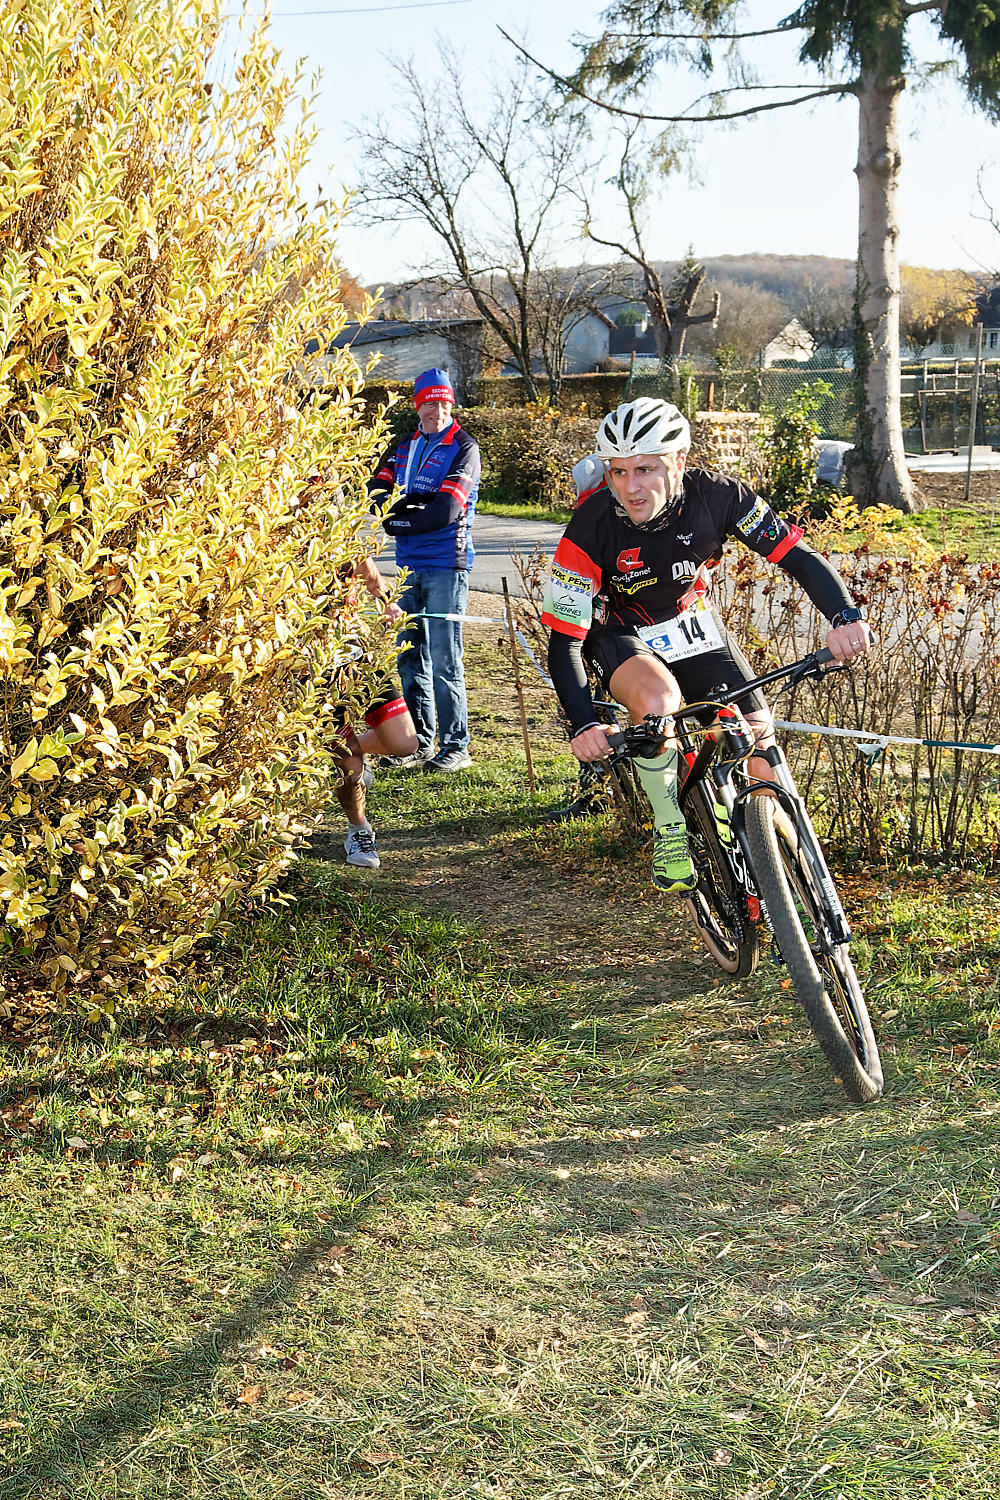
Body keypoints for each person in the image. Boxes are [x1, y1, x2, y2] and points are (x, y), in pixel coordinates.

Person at [541, 397, 872, 893]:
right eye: (618, 471)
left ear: (678, 461)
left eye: (645, 469)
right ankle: (670, 825)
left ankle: (796, 878)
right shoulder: (590, 526)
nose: (630, 487)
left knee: (760, 741)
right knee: (659, 703)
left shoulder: (719, 495)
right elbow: (565, 641)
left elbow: (797, 556)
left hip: (689, 624)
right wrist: (585, 722)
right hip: (619, 631)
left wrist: (845, 617)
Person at [367, 368, 481, 773]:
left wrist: (401, 514)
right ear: (418, 406)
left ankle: (456, 746)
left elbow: (445, 511)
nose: (437, 411)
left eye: (444, 403)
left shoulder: (464, 447)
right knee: (409, 656)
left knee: (446, 658)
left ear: (452, 405)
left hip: (447, 564)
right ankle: (418, 743)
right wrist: (407, 509)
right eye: (430, 403)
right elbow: (377, 495)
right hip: (406, 566)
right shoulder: (404, 446)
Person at [332, 553, 419, 869]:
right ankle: (359, 830)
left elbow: (365, 567)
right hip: (315, 671)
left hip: (358, 661)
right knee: (351, 769)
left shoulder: (345, 539)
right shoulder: (283, 541)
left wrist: (386, 601)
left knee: (406, 743)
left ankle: (344, 751)